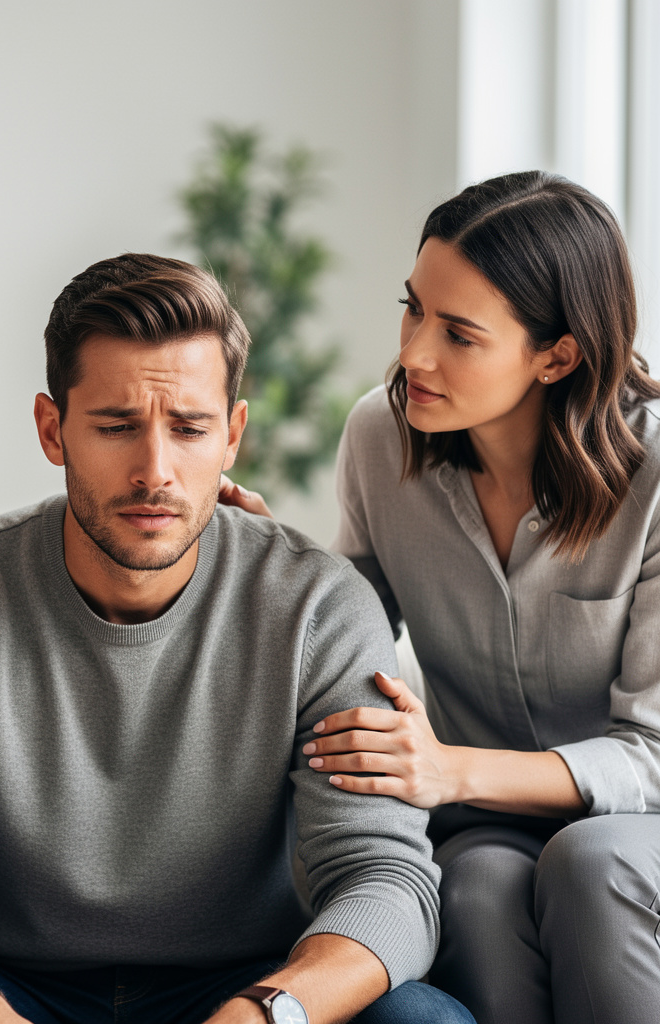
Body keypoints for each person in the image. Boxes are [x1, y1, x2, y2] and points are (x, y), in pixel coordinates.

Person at [0, 254, 474, 1024]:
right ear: (51, 429)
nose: (154, 471)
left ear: (232, 436)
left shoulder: (321, 608)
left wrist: (270, 1014)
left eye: (190, 428)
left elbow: (385, 880)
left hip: (245, 984)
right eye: (116, 426)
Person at [262, 171, 660, 1024]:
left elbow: (652, 755)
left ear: (558, 354)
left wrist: (449, 769)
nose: (413, 353)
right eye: (413, 309)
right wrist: (250, 554)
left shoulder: (655, 475)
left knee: (589, 864)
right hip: (485, 825)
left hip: (639, 822)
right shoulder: (381, 433)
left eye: (459, 334)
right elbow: (342, 625)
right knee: (473, 887)